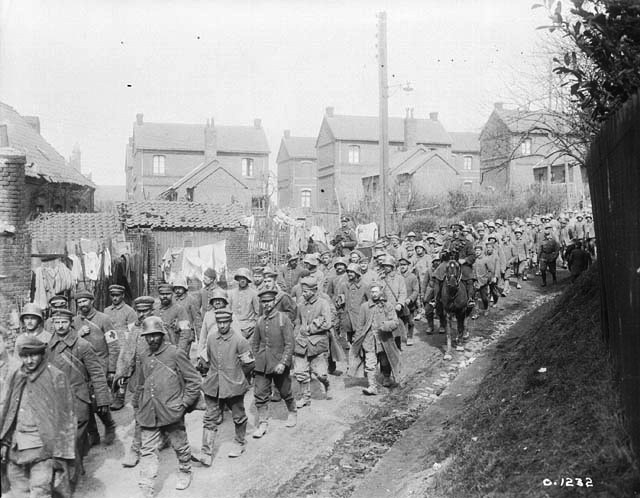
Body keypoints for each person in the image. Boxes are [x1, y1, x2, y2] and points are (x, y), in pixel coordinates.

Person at [0, 334, 76, 498]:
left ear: (42, 354)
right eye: (25, 356)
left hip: (42, 450)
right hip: (16, 448)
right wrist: (5, 442)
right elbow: (8, 412)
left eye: (33, 355)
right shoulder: (17, 375)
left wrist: (61, 453)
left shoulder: (56, 377)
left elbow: (67, 418)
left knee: (40, 492)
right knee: (18, 492)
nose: (29, 361)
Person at [136, 316, 201, 496]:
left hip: (172, 409)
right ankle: (146, 487)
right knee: (147, 449)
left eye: (155, 335)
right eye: (147, 336)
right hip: (149, 410)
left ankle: (185, 470)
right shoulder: (143, 355)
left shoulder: (175, 353)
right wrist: (138, 404)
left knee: (179, 444)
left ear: (162, 334)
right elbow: (141, 383)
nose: (151, 339)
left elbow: (194, 381)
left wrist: (184, 403)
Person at [47, 308, 111, 487]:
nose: (60, 326)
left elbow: (97, 373)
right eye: (57, 322)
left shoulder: (82, 345)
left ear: (70, 323)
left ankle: (71, 476)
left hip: (78, 398)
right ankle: (75, 466)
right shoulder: (47, 346)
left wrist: (103, 399)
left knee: (74, 437)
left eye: (64, 322)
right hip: (57, 399)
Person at [200, 308, 255, 463]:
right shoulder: (211, 339)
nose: (222, 325)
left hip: (233, 385)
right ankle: (206, 452)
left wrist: (237, 376)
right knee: (209, 418)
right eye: (219, 322)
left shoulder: (240, 341)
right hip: (213, 385)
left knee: (238, 416)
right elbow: (209, 359)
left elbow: (249, 364)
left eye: (225, 322)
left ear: (231, 322)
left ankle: (239, 442)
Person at [114, 296, 158, 468]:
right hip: (140, 378)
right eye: (138, 311)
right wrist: (122, 374)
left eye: (144, 311)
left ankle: (167, 439)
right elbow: (126, 353)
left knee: (164, 410)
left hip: (157, 376)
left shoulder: (158, 328)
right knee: (139, 412)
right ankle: (136, 448)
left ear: (151, 311)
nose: (141, 314)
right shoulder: (135, 330)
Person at [73, 290, 118, 447]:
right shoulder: (74, 322)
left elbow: (113, 345)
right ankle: (93, 433)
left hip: (100, 365)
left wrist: (112, 369)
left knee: (99, 399)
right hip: (81, 367)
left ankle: (109, 425)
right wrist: (77, 333)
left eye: (85, 301)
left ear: (92, 301)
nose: (82, 305)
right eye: (79, 302)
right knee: (85, 401)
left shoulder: (104, 319)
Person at [251, 289, 297, 439]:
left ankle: (292, 411)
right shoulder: (259, 321)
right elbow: (255, 343)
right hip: (263, 364)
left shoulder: (283, 319)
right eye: (263, 302)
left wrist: (283, 363)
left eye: (269, 301)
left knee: (285, 391)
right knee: (260, 394)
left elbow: (290, 344)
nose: (266, 304)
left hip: (278, 363)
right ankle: (263, 423)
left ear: (274, 301)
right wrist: (257, 359)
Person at [348, 283, 401, 395]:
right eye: (372, 292)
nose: (374, 294)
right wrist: (358, 339)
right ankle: (372, 386)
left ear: (381, 292)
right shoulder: (364, 307)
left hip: (384, 340)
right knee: (370, 363)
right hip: (369, 340)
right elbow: (360, 325)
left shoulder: (388, 306)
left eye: (376, 291)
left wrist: (385, 325)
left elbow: (395, 322)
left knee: (385, 361)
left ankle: (386, 377)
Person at [293, 276, 332, 408]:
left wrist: (311, 329)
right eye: (302, 291)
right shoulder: (300, 304)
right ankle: (305, 398)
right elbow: (297, 322)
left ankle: (326, 383)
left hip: (317, 343)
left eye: (306, 291)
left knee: (320, 374)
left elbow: (327, 323)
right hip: (302, 342)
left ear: (314, 290)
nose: (303, 294)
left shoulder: (323, 303)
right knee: (300, 372)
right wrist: (296, 336)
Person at [104, 284, 137, 410]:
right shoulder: (106, 311)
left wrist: (129, 348)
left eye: (117, 295)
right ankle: (112, 394)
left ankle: (120, 397)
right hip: (110, 345)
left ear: (123, 295)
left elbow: (133, 331)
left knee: (123, 372)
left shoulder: (129, 311)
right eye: (113, 295)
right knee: (110, 371)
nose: (115, 298)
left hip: (124, 345)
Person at [335, 263, 369, 346]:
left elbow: (370, 301)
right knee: (349, 337)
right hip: (347, 316)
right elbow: (338, 300)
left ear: (357, 273)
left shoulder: (364, 285)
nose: (349, 274)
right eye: (348, 272)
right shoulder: (344, 285)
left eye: (352, 272)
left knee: (361, 337)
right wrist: (339, 301)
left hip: (360, 315)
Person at [157, 283, 192, 353]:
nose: (165, 296)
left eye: (168, 294)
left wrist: (180, 350)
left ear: (172, 294)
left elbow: (185, 332)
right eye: (162, 294)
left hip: (174, 347)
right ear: (159, 295)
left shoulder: (180, 310)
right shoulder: (155, 310)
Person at [228, 268, 260, 341]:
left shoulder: (254, 294)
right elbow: (228, 311)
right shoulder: (231, 293)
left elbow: (258, 313)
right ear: (238, 279)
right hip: (234, 326)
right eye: (240, 278)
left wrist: (252, 326)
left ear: (248, 280)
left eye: (244, 278)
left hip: (249, 327)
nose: (242, 280)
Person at [172, 276, 201, 346]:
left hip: (187, 332)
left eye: (180, 288)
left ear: (184, 288)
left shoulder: (191, 300)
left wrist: (200, 337)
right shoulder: (172, 300)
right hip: (174, 333)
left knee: (183, 355)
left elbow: (197, 319)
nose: (177, 290)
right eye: (176, 288)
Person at [398, 257, 419, 346]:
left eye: (404, 265)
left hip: (409, 303)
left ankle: (410, 336)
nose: (402, 267)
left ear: (408, 266)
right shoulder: (397, 276)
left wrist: (410, 299)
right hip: (399, 302)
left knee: (410, 321)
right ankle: (401, 337)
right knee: (401, 321)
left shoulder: (412, 277)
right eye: (401, 265)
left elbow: (416, 290)